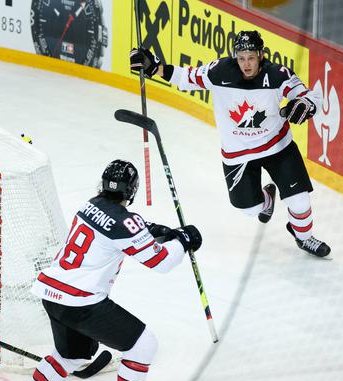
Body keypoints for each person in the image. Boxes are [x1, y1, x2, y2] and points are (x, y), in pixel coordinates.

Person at [5, 160, 202, 381]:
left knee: (70, 356)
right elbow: (160, 262)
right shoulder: (126, 223)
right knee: (143, 346)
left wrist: (160, 230)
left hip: (51, 294)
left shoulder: (91, 204)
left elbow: (128, 226)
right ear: (131, 190)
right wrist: (182, 240)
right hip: (81, 303)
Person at [130, 30, 330, 258]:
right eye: (241, 58)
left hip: (278, 147)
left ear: (261, 55)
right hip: (238, 154)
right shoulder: (219, 71)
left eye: (251, 58)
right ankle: (267, 200)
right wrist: (154, 67)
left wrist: (305, 104)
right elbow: (186, 77)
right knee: (249, 210)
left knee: (300, 201)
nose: (246, 64)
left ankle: (303, 237)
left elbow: (308, 94)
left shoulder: (277, 74)